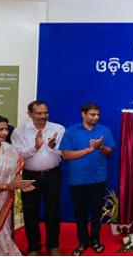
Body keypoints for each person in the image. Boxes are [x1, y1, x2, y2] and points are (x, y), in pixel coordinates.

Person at [59, 103, 115, 256]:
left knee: (97, 212)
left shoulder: (104, 131)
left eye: (97, 114)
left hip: (98, 178)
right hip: (77, 179)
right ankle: (83, 241)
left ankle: (95, 239)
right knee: (80, 212)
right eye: (92, 114)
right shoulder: (71, 131)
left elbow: (109, 152)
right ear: (83, 114)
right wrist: (89, 149)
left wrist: (101, 147)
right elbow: (66, 155)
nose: (95, 117)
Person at [11, 100, 65, 256]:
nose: (43, 116)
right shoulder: (19, 132)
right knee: (30, 211)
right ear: (30, 114)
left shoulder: (58, 128)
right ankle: (34, 247)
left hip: (52, 174)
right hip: (30, 176)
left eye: (45, 112)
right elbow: (17, 156)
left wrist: (52, 145)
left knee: (53, 210)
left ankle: (53, 246)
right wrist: (35, 147)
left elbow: (65, 153)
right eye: (38, 113)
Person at [0, 115, 35, 255]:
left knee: (2, 234)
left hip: (4, 202)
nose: (5, 133)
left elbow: (16, 169)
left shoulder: (9, 150)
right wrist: (6, 186)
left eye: (6, 129)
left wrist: (18, 183)